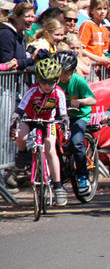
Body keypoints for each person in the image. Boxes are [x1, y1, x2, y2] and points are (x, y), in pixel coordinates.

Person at [10, 57, 69, 206]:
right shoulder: (32, 91)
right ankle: (23, 154)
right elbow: (20, 109)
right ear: (38, 80)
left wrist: (64, 122)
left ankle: (58, 186)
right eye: (43, 81)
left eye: (51, 82)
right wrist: (14, 121)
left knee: (50, 150)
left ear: (56, 80)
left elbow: (63, 113)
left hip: (48, 120)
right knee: (20, 135)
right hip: (31, 119)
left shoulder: (59, 93)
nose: (47, 85)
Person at [56, 50, 97, 196]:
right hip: (60, 116)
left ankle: (83, 176)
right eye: (59, 72)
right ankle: (58, 178)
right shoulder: (53, 80)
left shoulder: (78, 81)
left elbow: (93, 100)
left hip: (78, 116)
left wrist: (79, 102)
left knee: (77, 142)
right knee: (53, 143)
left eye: (66, 73)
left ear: (72, 71)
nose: (61, 76)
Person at [79, 0, 110, 69]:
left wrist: (106, 60)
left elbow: (103, 52)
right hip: (87, 65)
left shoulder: (104, 29)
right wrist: (98, 59)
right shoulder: (88, 24)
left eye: (105, 9)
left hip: (97, 68)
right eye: (99, 9)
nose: (102, 12)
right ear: (92, 10)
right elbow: (80, 49)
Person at [0, 2, 37, 70]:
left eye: (32, 17)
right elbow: (7, 63)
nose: (31, 20)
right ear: (16, 16)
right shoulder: (6, 34)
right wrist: (32, 60)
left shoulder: (22, 33)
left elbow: (20, 59)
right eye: (27, 16)